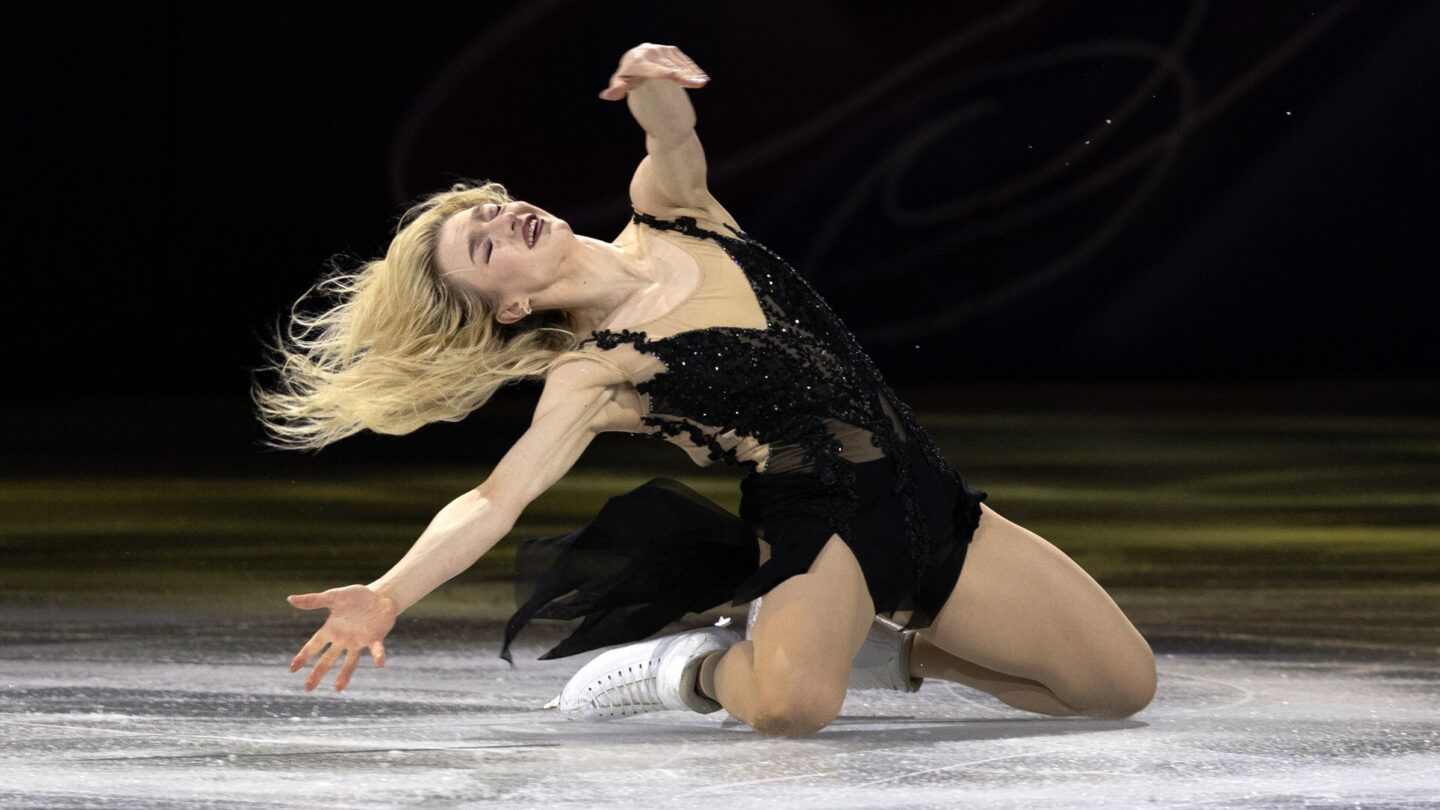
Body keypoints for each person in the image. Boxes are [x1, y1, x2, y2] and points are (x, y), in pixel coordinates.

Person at [259, 43, 1156, 738]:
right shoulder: (596, 369)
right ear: (512, 304)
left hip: (925, 492)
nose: (504, 222)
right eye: (486, 251)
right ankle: (687, 668)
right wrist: (389, 593)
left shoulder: (672, 215)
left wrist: (646, 73)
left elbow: (668, 132)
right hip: (818, 521)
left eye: (489, 213)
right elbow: (496, 499)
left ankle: (901, 657)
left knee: (1116, 691)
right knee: (793, 709)